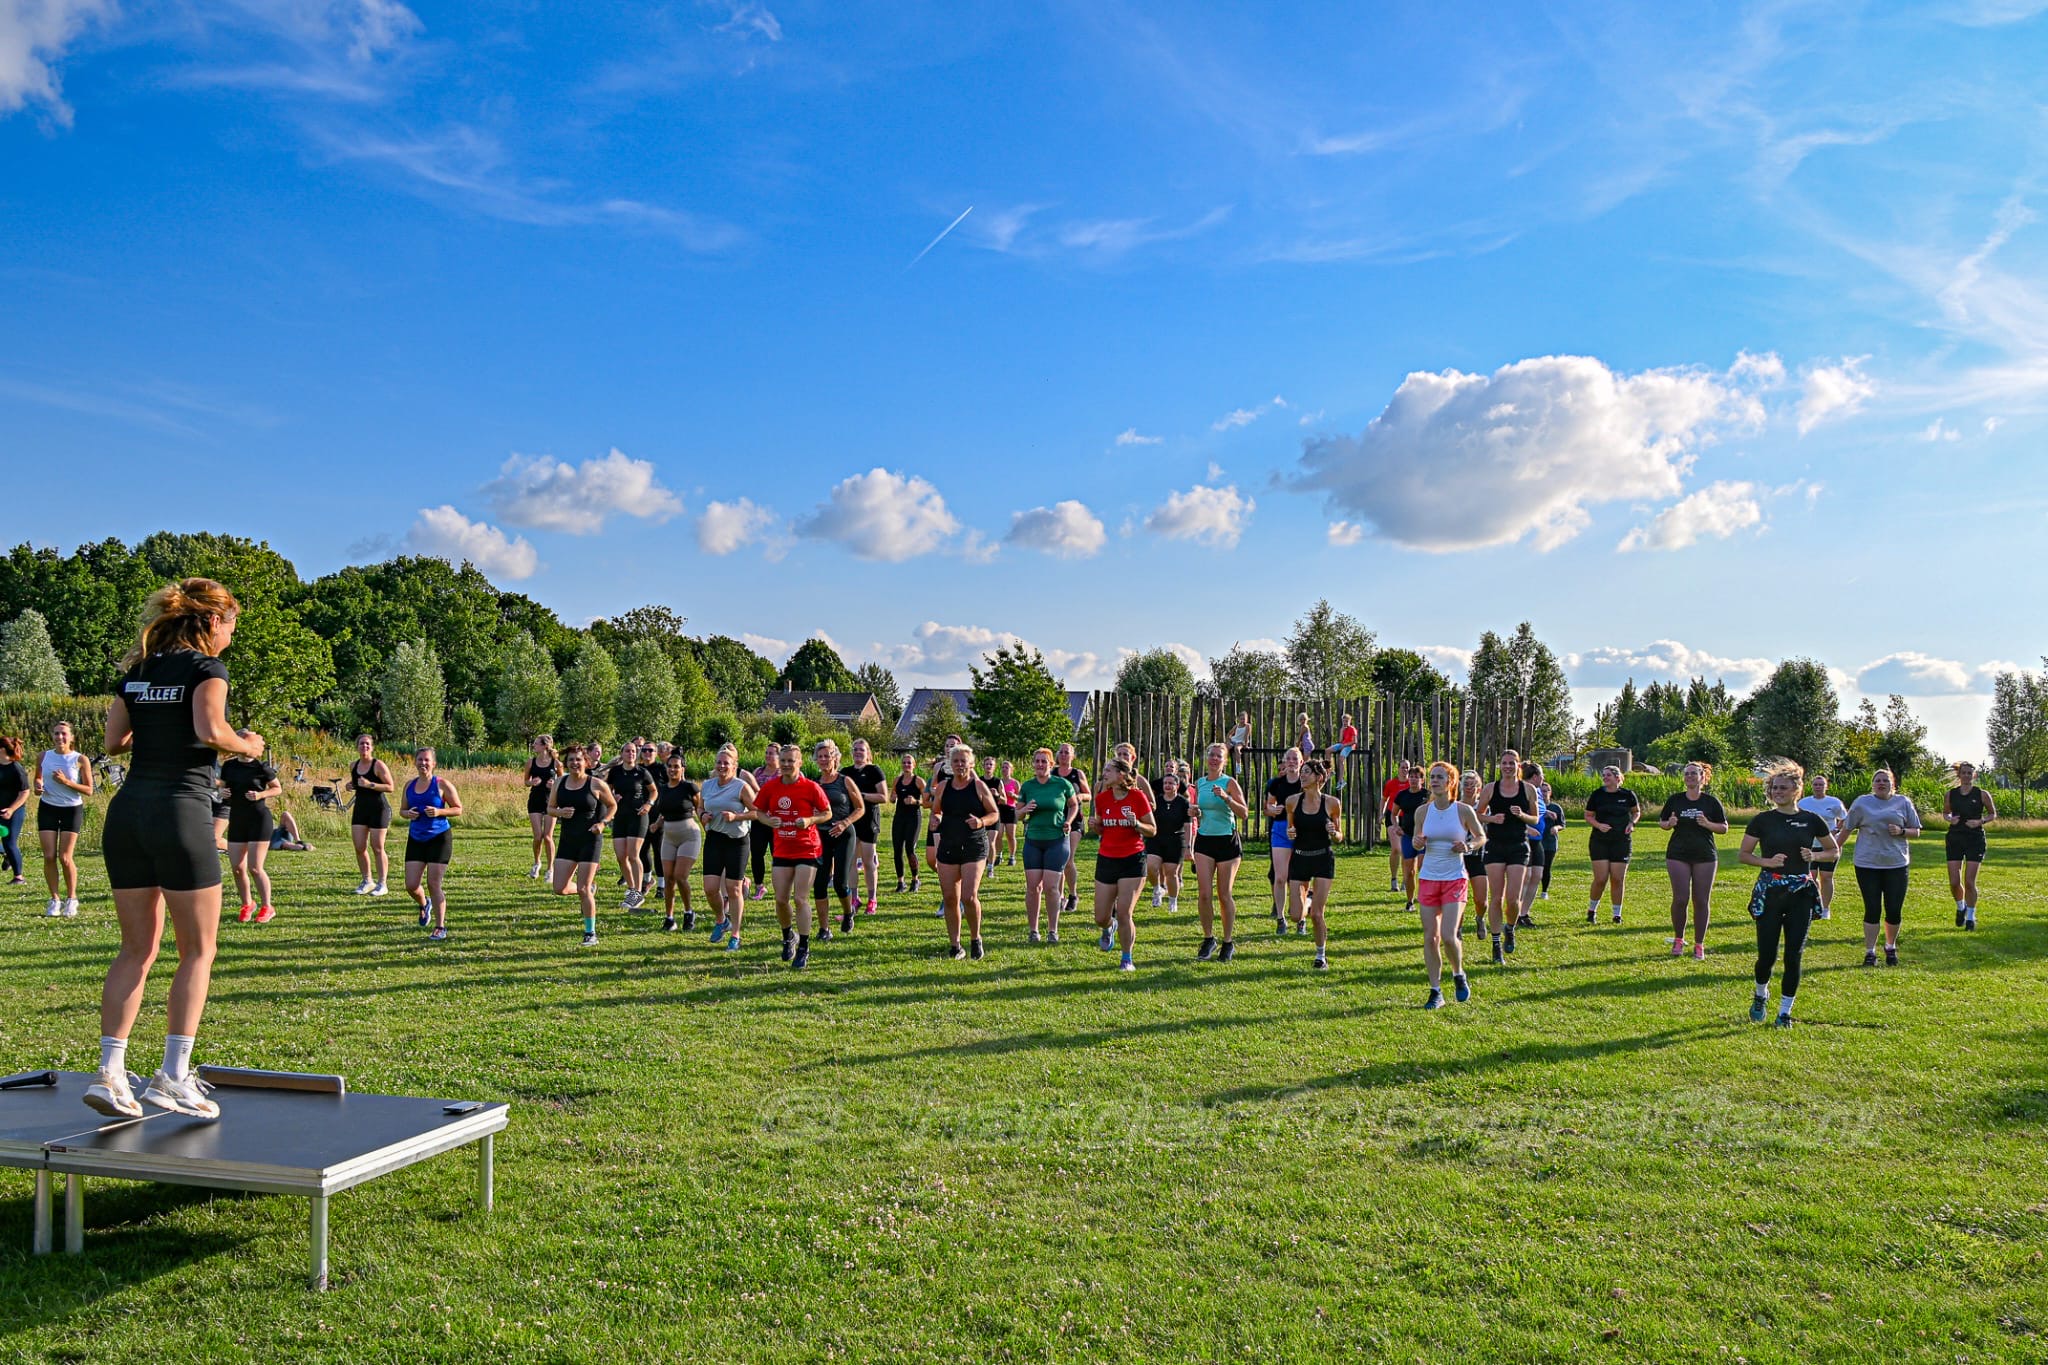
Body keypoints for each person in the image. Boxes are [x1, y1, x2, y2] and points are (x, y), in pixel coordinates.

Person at [88, 577, 266, 1119]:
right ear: (213, 621)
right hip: (180, 813)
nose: (232, 636)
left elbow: (113, 742)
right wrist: (248, 743)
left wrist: (159, 721)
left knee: (136, 950)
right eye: (232, 625)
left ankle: (111, 1075)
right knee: (198, 950)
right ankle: (172, 1076)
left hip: (128, 816)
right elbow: (211, 728)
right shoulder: (207, 669)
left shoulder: (137, 670)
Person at [1738, 763, 1838, 1027]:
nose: (1777, 792)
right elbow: (1744, 855)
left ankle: (1784, 1012)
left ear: (1797, 789)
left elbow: (1834, 851)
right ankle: (1761, 995)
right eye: (1774, 788)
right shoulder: (1762, 820)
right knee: (1767, 955)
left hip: (1801, 893)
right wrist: (1767, 862)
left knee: (1794, 955)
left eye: (1783, 787)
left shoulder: (1811, 820)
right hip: (1770, 891)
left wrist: (1815, 855)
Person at [753, 744, 831, 970]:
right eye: (783, 760)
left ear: (800, 763)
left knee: (800, 898)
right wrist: (769, 821)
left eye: (791, 761)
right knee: (780, 899)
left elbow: (827, 813)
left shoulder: (811, 787)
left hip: (807, 848)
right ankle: (789, 936)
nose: (786, 764)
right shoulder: (771, 787)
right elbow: (758, 811)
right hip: (782, 849)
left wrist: (809, 821)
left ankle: (804, 947)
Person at [1412, 761, 1482, 1008]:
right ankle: (1435, 991)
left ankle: (1458, 974)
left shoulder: (1463, 810)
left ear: (1451, 782)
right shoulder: (1423, 811)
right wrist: (1418, 843)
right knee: (1430, 937)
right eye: (1432, 777)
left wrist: (1469, 846)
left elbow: (1481, 836)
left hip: (1454, 878)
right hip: (1429, 878)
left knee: (1449, 936)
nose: (1434, 781)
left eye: (1440, 777)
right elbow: (1416, 838)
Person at [1841, 767, 1922, 967]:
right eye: (1878, 780)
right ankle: (1870, 951)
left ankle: (1890, 946)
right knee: (1872, 908)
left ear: (1892, 784)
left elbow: (1916, 831)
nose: (1881, 783)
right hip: (1867, 863)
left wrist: (1902, 831)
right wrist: (1829, 850)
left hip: (1896, 863)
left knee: (1894, 909)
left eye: (1885, 780)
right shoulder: (1862, 803)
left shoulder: (1903, 802)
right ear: (1873, 784)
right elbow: (1846, 830)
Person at [929, 743, 1000, 959]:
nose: (960, 765)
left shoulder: (978, 786)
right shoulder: (943, 787)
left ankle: (975, 938)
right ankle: (955, 945)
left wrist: (980, 821)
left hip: (974, 846)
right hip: (949, 845)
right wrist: (935, 820)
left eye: (963, 761)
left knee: (969, 897)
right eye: (956, 761)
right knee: (950, 897)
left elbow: (994, 814)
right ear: (950, 764)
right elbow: (936, 811)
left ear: (971, 763)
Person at [548, 745, 618, 947]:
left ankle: (590, 933)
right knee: (559, 888)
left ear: (586, 762)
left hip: (590, 839)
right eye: (570, 760)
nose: (574, 763)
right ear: (566, 763)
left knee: (583, 888)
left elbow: (612, 805)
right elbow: (550, 808)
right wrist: (560, 813)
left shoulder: (596, 784)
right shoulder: (559, 783)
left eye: (578, 759)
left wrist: (603, 823)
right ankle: (589, 889)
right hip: (568, 840)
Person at [1658, 761, 1729, 959]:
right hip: (1678, 854)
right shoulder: (1675, 800)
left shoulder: (1710, 802)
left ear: (1702, 777)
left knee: (1701, 900)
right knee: (1680, 899)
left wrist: (1707, 824)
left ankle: (1699, 944)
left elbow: (1724, 828)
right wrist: (1668, 823)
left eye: (1693, 774)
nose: (1689, 777)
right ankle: (1678, 940)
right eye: (1686, 774)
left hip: (1705, 855)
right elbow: (1662, 822)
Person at [1091, 758, 1155, 973]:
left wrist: (1136, 823)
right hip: (1107, 859)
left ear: (1121, 774)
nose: (1104, 773)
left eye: (1108, 770)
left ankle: (1127, 958)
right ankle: (1109, 927)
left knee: (1125, 912)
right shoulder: (1101, 798)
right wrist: (1096, 826)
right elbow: (1103, 830)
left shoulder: (1138, 797)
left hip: (1132, 860)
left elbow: (1152, 830)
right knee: (1101, 917)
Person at [1477, 750, 1539, 963]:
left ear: (1518, 766)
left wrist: (1521, 815)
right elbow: (1476, 814)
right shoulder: (1490, 788)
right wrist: (1492, 819)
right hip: (1495, 845)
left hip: (1518, 846)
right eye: (1504, 763)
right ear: (1500, 765)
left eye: (1512, 763)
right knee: (1496, 897)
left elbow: (1535, 818)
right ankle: (1496, 945)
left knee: (1513, 899)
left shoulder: (1528, 789)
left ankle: (1510, 928)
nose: (1508, 766)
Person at [1191, 742, 1248, 962]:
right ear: (1207, 758)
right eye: (1212, 755)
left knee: (1224, 895)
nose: (1214, 759)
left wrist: (1226, 798)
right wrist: (1194, 811)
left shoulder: (1229, 782)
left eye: (1219, 756)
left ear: (1224, 761)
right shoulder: (1200, 783)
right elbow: (1198, 811)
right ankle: (1208, 939)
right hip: (1205, 841)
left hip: (1227, 842)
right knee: (1204, 894)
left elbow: (1243, 813)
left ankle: (1227, 941)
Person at [399, 748, 464, 940]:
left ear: (433, 763)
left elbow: (458, 809)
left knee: (433, 883)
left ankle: (440, 926)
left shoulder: (442, 784)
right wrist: (407, 814)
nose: (423, 763)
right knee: (411, 885)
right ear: (415, 762)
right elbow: (402, 810)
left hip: (439, 838)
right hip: (416, 838)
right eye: (419, 759)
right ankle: (423, 903)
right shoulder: (409, 785)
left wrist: (439, 812)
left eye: (427, 760)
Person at [1284, 759, 1341, 969]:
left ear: (1319, 777)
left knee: (1317, 914)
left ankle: (1320, 956)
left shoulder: (1332, 803)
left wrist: (1334, 833)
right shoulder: (1292, 801)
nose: (1302, 775)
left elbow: (1339, 836)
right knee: (1295, 915)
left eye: (1307, 772)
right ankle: (1307, 899)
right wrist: (1290, 833)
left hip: (1323, 858)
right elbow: (1290, 831)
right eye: (1302, 772)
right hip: (1300, 857)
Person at [699, 744, 756, 950]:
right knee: (710, 889)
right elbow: (700, 807)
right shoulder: (707, 785)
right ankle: (722, 920)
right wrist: (702, 816)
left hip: (737, 841)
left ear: (734, 766)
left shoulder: (741, 786)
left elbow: (757, 812)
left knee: (733, 889)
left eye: (726, 763)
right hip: (714, 838)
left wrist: (737, 816)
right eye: (719, 762)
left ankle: (735, 935)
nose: (722, 766)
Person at [219, 740, 282, 924]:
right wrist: (222, 792)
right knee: (238, 868)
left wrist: (260, 795)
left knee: (255, 867)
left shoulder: (261, 767)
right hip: (238, 818)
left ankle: (267, 907)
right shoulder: (229, 765)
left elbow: (277, 788)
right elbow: (222, 785)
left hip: (259, 819)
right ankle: (247, 904)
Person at [35, 721, 93, 917]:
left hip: (71, 809)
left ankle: (72, 899)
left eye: (64, 734)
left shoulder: (80, 759)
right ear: (53, 736)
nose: (60, 737)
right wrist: (38, 785)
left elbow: (89, 790)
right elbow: (38, 778)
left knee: (65, 858)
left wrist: (66, 782)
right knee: (49, 856)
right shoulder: (43, 756)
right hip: (47, 808)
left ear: (71, 738)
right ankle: (54, 899)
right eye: (57, 734)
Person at [1017, 747, 1074, 943]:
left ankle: (1052, 930)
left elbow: (1074, 804)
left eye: (1044, 761)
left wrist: (1069, 820)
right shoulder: (1027, 786)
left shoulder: (1062, 784)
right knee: (1033, 887)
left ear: (1051, 764)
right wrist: (1025, 809)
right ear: (1034, 764)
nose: (1040, 765)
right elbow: (1017, 815)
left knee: (1051, 887)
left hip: (1057, 840)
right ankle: (1033, 930)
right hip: (1033, 840)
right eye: (1037, 761)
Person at [810, 739, 865, 939]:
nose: (824, 760)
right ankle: (824, 929)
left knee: (841, 883)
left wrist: (844, 823)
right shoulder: (814, 784)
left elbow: (860, 808)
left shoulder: (845, 781)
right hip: (820, 835)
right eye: (820, 757)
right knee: (820, 883)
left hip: (843, 834)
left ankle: (848, 912)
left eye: (827, 756)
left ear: (835, 757)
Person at [1942, 761, 1996, 929]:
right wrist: (1950, 818)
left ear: (1974, 775)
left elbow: (1992, 814)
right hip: (1955, 838)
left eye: (1969, 773)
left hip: (1975, 839)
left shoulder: (1982, 794)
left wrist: (1980, 821)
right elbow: (1945, 813)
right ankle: (1961, 907)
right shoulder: (1950, 794)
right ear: (1959, 775)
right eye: (1963, 773)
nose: (1966, 775)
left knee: (1969, 881)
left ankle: (1971, 918)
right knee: (1954, 881)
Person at [1585, 764, 1641, 924]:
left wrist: (1632, 823)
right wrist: (1599, 825)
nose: (1605, 777)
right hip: (1600, 841)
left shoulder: (1628, 795)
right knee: (1601, 879)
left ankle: (1617, 914)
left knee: (1617, 879)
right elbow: (1588, 816)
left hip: (1621, 841)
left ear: (1617, 778)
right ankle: (1591, 910)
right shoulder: (1597, 795)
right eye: (1603, 774)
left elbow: (1636, 812)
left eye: (1608, 775)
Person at [605, 744, 655, 912]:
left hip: (638, 816)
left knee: (633, 854)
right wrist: (612, 797)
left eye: (633, 751)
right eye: (627, 751)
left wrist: (649, 804)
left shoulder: (642, 772)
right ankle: (632, 889)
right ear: (622, 754)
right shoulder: (615, 772)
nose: (631, 753)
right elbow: (606, 790)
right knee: (621, 856)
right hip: (620, 816)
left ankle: (637, 893)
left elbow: (654, 791)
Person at [655, 753, 701, 932]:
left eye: (676, 766)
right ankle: (669, 918)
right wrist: (657, 824)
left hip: (689, 835)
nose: (673, 769)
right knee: (669, 879)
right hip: (669, 836)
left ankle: (689, 912)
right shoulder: (663, 789)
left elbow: (700, 808)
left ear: (683, 769)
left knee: (681, 876)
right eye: (670, 766)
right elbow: (664, 812)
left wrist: (708, 828)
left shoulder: (689, 787)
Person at [344, 735, 393, 897]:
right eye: (361, 743)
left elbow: (390, 787)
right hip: (361, 809)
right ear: (357, 747)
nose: (364, 746)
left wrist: (370, 784)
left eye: (367, 744)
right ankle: (367, 881)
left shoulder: (378, 765)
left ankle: (382, 883)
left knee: (377, 847)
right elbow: (357, 785)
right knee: (359, 847)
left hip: (379, 809)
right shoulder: (353, 765)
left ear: (371, 747)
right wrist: (351, 785)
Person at [1797, 774, 1848, 920]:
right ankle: (1814, 904)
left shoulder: (1834, 802)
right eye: (1815, 784)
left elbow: (1845, 819)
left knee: (1826, 877)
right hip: (1810, 846)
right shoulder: (1803, 803)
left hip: (1828, 847)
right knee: (1810, 877)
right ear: (1811, 786)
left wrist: (1835, 832)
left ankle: (1825, 908)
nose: (1818, 787)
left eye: (1821, 784)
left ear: (1826, 786)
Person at [1264, 747, 1304, 930]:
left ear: (1301, 762)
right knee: (1280, 877)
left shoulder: (1306, 784)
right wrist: (1272, 810)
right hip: (1280, 829)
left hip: (1302, 830)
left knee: (1300, 877)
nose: (1291, 762)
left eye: (1295, 758)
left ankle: (1301, 918)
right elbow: (1268, 806)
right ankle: (1280, 918)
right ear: (1284, 762)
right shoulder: (1276, 784)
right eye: (1289, 758)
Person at [846, 739, 888, 914]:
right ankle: (855, 899)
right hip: (851, 819)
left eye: (861, 750)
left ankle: (872, 898)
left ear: (867, 752)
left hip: (869, 819)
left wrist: (861, 796)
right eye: (855, 749)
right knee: (851, 862)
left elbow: (883, 797)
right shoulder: (846, 772)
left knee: (868, 862)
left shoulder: (874, 771)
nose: (858, 752)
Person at [1051, 743, 1091, 914]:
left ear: (1073, 756)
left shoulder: (1077, 774)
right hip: (1055, 820)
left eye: (1067, 752)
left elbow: (1089, 794)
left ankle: (1073, 895)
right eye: (1061, 752)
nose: (1064, 755)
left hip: (1075, 821)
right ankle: (1060, 897)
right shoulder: (1051, 773)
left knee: (1067, 859)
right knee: (1058, 860)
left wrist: (1079, 796)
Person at [1145, 771, 1191, 913]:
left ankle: (1173, 900)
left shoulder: (1183, 803)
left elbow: (1188, 825)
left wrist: (1189, 846)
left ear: (1177, 786)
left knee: (1171, 873)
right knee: (1151, 867)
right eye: (1165, 783)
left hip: (1176, 840)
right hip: (1156, 839)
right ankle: (1157, 889)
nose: (1167, 785)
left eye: (1171, 783)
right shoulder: (1156, 801)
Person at [1391, 765, 1430, 912]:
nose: (1413, 780)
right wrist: (1396, 826)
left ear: (1422, 779)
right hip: (1407, 835)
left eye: (1416, 777)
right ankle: (1410, 901)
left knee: (1423, 867)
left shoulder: (1428, 795)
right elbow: (1393, 813)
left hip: (1424, 837)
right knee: (1409, 871)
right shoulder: (1402, 795)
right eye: (1411, 776)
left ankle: (1426, 898)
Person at [1458, 770, 1489, 940]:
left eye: (1473, 785)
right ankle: (1458, 929)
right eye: (1466, 784)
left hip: (1479, 856)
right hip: (1458, 857)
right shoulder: (1454, 807)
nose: (1469, 788)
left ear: (1479, 788)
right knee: (1459, 898)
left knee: (1481, 901)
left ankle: (1480, 918)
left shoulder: (1485, 808)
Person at [523, 735, 559, 878]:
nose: (533, 746)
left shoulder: (556, 763)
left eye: (536, 744)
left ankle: (550, 870)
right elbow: (526, 781)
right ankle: (537, 863)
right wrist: (532, 783)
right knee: (538, 836)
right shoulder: (531, 762)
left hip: (551, 801)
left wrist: (554, 784)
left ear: (545, 746)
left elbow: (563, 782)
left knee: (548, 836)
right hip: (535, 801)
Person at [890, 753, 925, 894]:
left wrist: (916, 801)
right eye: (904, 763)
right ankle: (900, 882)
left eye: (909, 763)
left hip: (913, 818)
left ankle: (915, 879)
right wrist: (893, 798)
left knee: (910, 848)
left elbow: (927, 801)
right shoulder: (897, 780)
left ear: (914, 765)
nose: (906, 765)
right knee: (897, 850)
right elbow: (892, 797)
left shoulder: (918, 781)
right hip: (899, 818)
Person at [748, 742, 779, 900]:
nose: (768, 756)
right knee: (757, 854)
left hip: (776, 820)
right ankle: (759, 886)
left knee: (777, 854)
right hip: (759, 819)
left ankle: (780, 885)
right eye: (766, 752)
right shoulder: (758, 772)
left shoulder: (782, 773)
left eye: (771, 753)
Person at [1381, 758, 1412, 891]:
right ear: (1398, 769)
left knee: (1406, 851)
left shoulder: (1412, 784)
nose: (1405, 770)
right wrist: (1380, 814)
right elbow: (1384, 799)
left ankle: (1406, 881)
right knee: (1396, 849)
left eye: (1407, 768)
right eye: (1402, 767)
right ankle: (1394, 879)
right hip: (1392, 816)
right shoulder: (1391, 784)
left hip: (1407, 818)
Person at [0, 735, 26, 885]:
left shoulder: (16, 768)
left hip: (14, 811)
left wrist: (11, 809)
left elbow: (24, 793)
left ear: (2, 749)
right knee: (6, 844)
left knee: (10, 841)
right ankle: (6, 853)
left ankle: (19, 877)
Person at [1535, 780, 1563, 901]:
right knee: (1535, 867)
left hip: (1550, 842)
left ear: (1550, 793)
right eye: (1542, 791)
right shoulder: (1535, 806)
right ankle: (1531, 889)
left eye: (1546, 791)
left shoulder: (1556, 808)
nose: (1544, 793)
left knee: (1546, 867)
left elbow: (1561, 824)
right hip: (1536, 840)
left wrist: (1556, 828)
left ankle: (1544, 891)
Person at [997, 759, 1022, 866]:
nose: (1004, 769)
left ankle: (1012, 857)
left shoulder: (1015, 783)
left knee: (1010, 835)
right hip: (1000, 809)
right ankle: (999, 855)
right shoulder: (998, 782)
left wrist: (1013, 795)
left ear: (1011, 770)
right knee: (999, 834)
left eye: (1006, 767)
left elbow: (1021, 798)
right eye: (1003, 767)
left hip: (1011, 809)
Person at [1330, 713, 1357, 789]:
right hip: (1342, 744)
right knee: (1328, 750)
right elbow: (1340, 740)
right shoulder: (1343, 729)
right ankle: (1330, 770)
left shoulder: (1352, 729)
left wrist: (1344, 745)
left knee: (1341, 759)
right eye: (1344, 721)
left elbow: (1355, 741)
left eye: (1346, 721)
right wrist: (1341, 731)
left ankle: (1341, 780)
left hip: (1349, 746)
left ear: (1350, 721)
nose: (1345, 723)